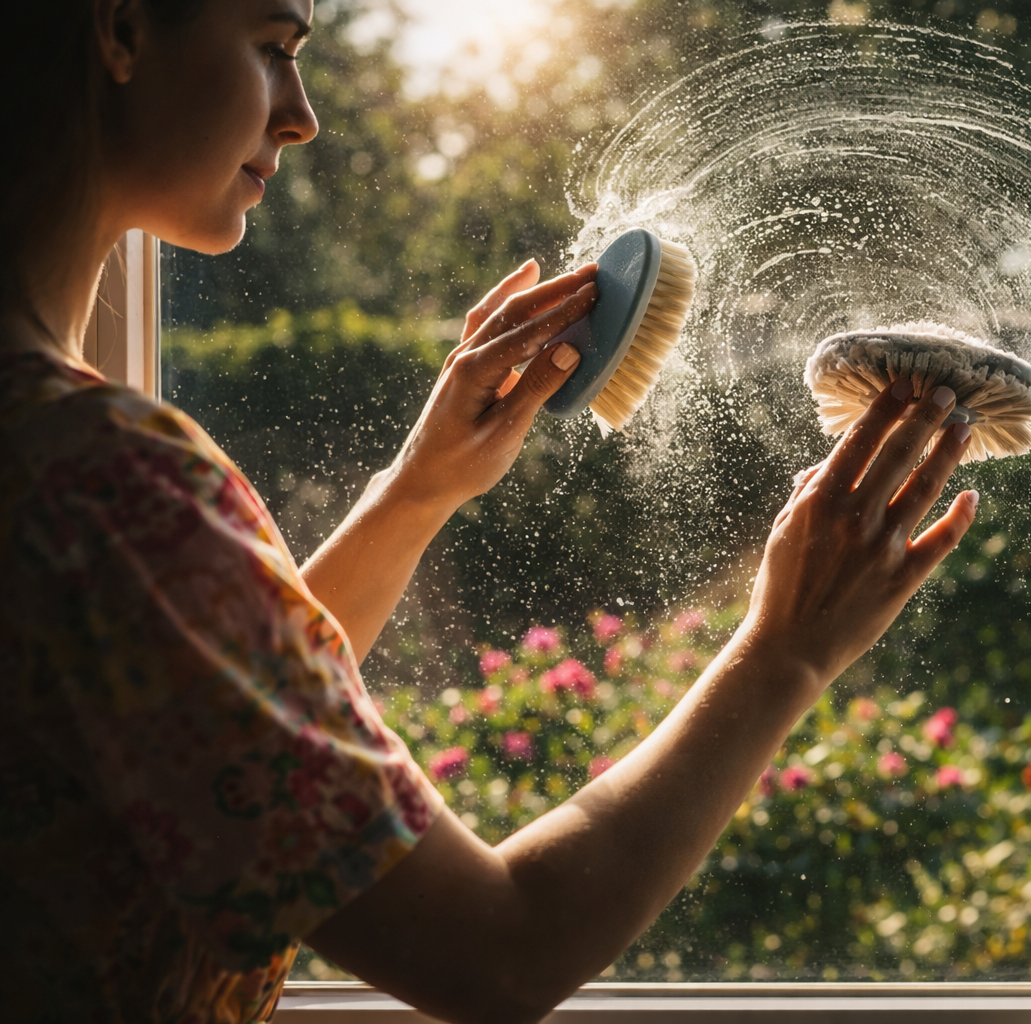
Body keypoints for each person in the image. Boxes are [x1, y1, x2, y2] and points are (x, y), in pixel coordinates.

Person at [0, 2, 979, 1022]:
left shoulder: (60, 473)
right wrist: (786, 653)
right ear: (119, 30)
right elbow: (497, 953)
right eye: (273, 48)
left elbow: (217, 722)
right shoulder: (107, 486)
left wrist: (417, 491)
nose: (303, 117)